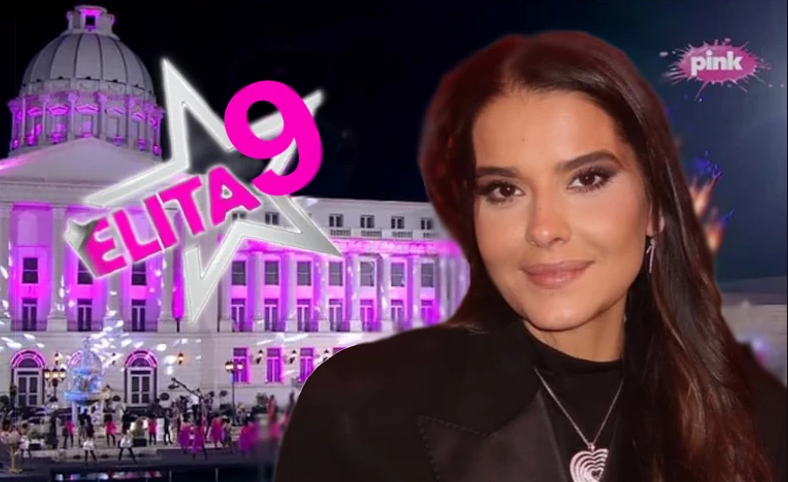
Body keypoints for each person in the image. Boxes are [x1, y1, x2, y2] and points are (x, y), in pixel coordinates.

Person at [274, 32, 787, 482]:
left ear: (655, 206)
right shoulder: (358, 413)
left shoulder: (759, 419)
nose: (543, 228)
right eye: (504, 190)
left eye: (586, 179)